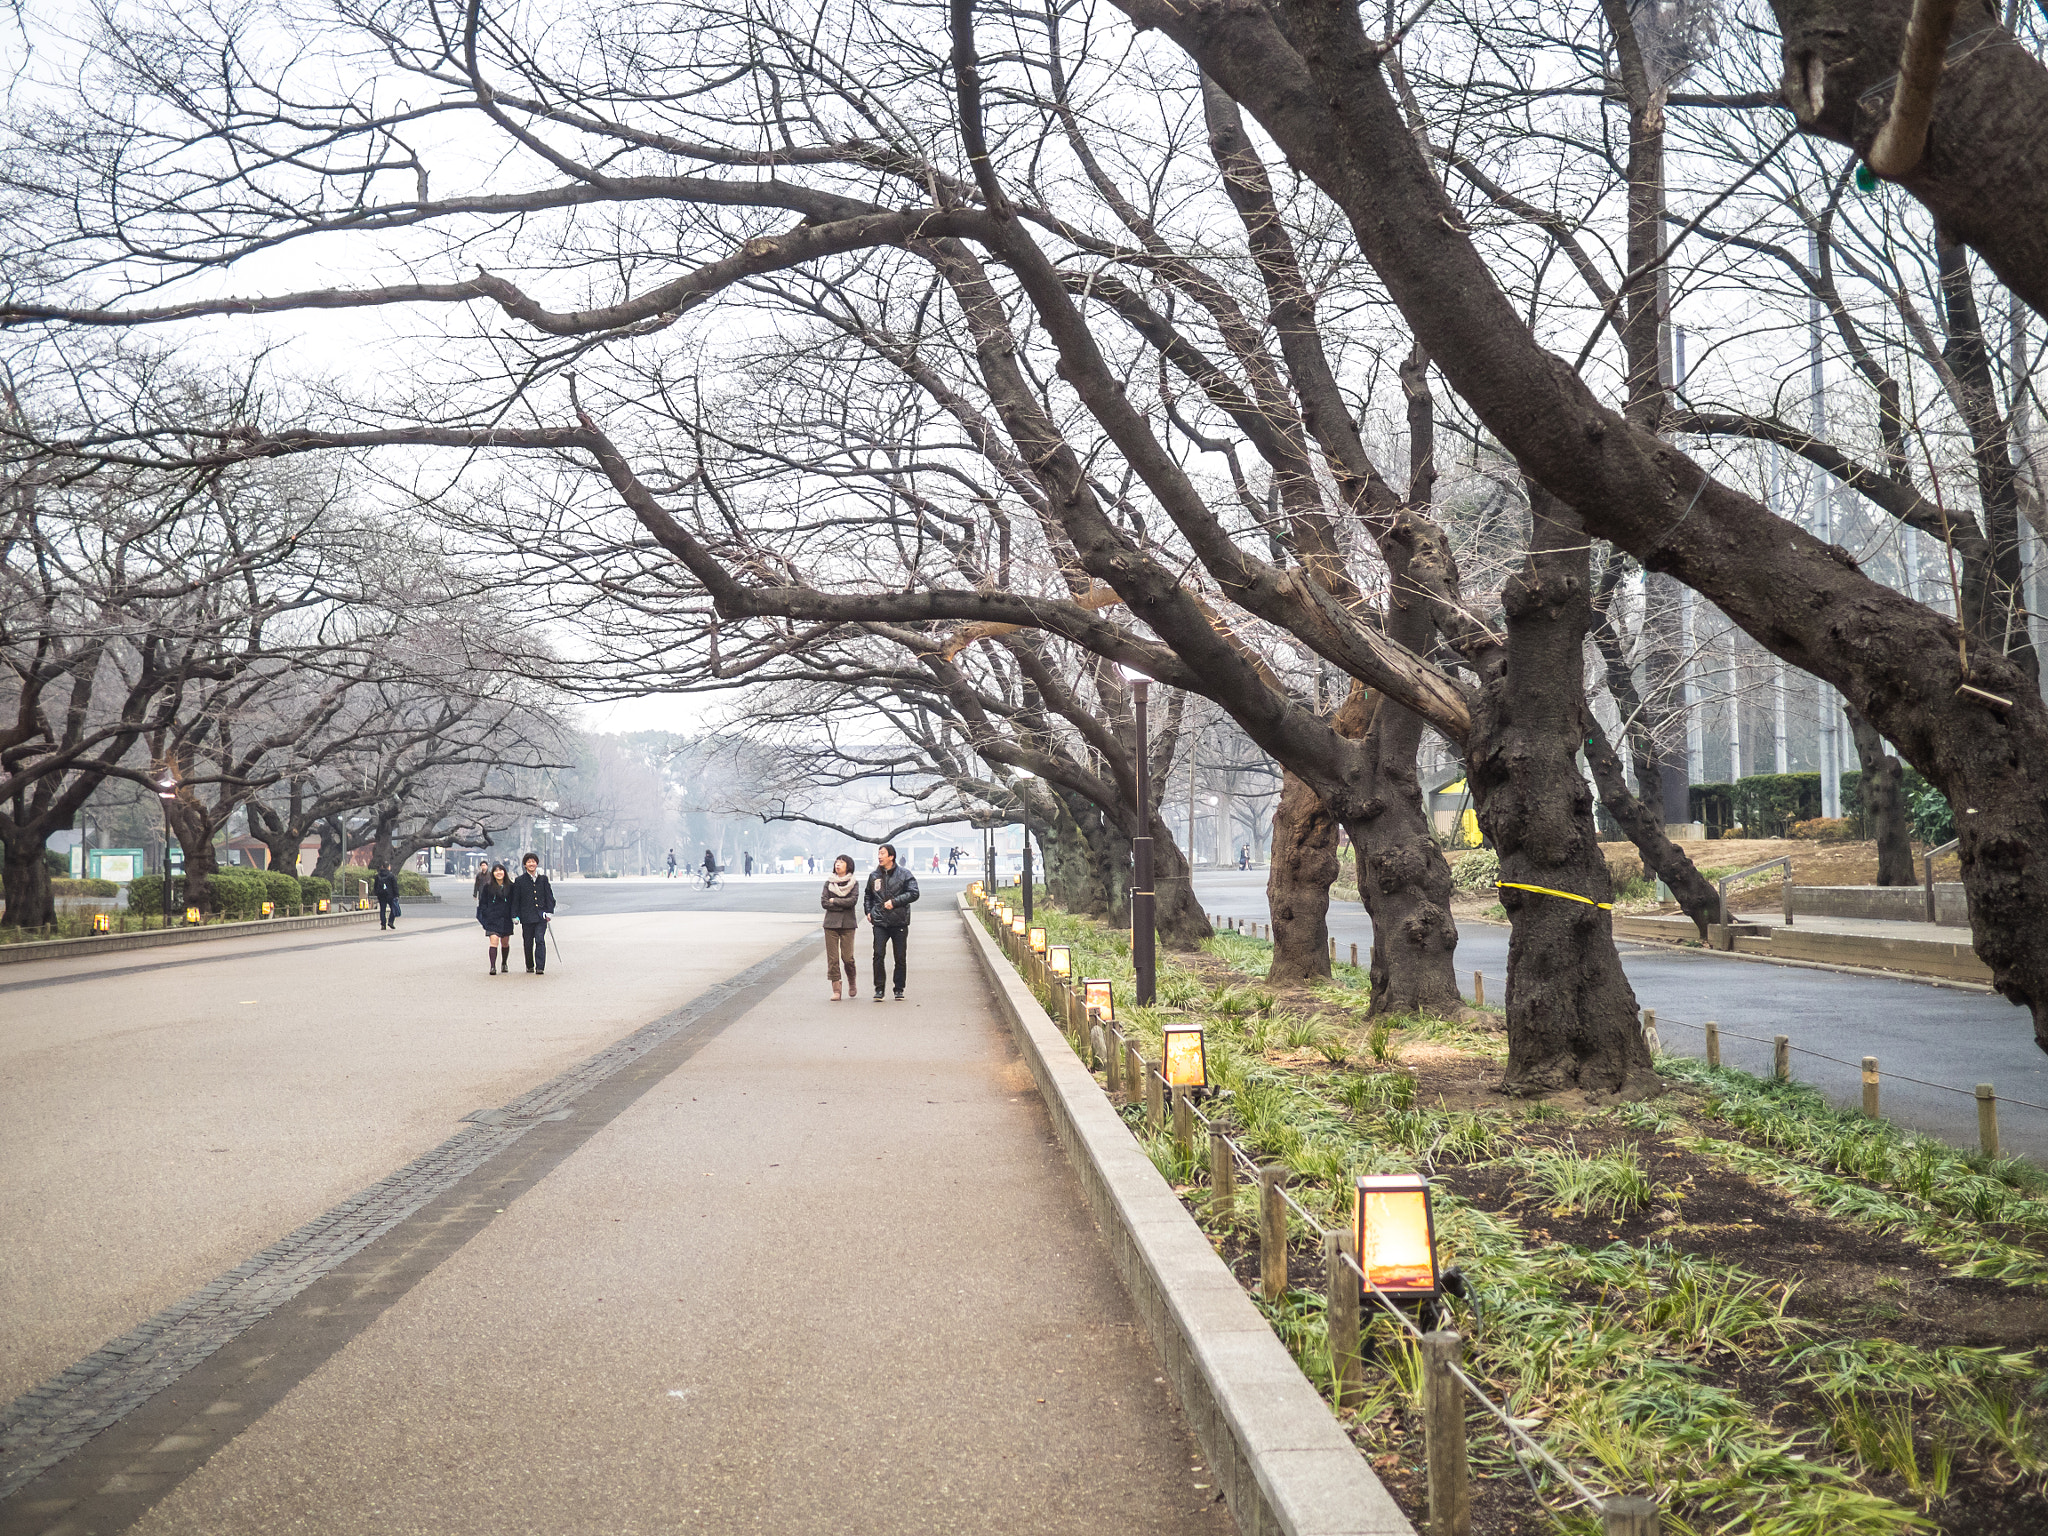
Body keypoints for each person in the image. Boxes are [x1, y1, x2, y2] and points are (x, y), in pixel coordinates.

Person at [863, 842, 920, 1000]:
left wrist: (895, 902)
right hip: (880, 921)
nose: (879, 856)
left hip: (899, 921)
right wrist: (868, 911)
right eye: (879, 853)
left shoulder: (905, 874)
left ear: (891, 856)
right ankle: (879, 988)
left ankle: (899, 988)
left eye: (882, 853)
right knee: (878, 954)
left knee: (900, 957)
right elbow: (868, 895)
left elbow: (914, 893)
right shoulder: (874, 876)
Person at [820, 854, 860, 1000]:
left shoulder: (854, 883)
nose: (838, 864)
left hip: (848, 924)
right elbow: (824, 902)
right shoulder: (828, 883)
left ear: (848, 866)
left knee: (847, 957)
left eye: (842, 862)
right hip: (830, 924)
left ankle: (852, 981)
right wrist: (841, 903)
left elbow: (852, 901)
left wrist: (834, 901)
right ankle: (836, 989)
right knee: (833, 959)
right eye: (837, 862)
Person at [510, 853, 556, 974]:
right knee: (528, 942)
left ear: (537, 863)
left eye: (533, 861)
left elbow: (549, 897)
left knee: (540, 940)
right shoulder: (519, 881)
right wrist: (514, 915)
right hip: (526, 916)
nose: (531, 864)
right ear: (525, 865)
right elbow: (516, 900)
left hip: (541, 916)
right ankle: (529, 965)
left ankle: (540, 966)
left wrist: (549, 911)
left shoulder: (543, 879)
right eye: (528, 862)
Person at [477, 863, 515, 974]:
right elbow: (483, 903)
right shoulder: (488, 887)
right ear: (493, 873)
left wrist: (514, 915)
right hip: (492, 918)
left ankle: (504, 963)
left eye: (501, 870)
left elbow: (514, 902)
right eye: (496, 871)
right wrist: (486, 913)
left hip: (506, 918)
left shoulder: (511, 887)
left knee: (505, 942)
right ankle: (492, 966)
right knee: (494, 941)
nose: (499, 873)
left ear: (504, 872)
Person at [373, 863, 401, 930]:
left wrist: (377, 893)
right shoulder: (391, 876)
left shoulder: (378, 876)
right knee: (393, 908)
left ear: (382, 867)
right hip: (390, 895)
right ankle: (390, 922)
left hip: (381, 895)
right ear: (388, 867)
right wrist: (396, 894)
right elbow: (395, 886)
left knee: (382, 910)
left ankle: (383, 924)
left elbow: (375, 886)